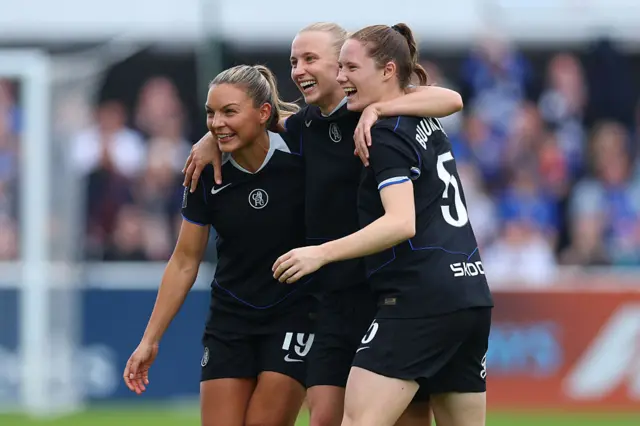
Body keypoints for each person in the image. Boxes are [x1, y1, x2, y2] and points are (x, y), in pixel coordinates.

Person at [182, 23, 463, 426]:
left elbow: (451, 99)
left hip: (387, 291)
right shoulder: (301, 125)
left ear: (342, 66)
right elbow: (246, 118)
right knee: (325, 418)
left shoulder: (375, 113)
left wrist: (380, 108)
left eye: (310, 59)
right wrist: (210, 138)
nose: (298, 70)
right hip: (329, 299)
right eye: (294, 61)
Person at [273, 23, 493, 426]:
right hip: (471, 295)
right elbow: (449, 100)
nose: (342, 78)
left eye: (350, 68)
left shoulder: (384, 133)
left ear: (388, 70)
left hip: (418, 299)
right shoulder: (424, 120)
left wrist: (320, 252)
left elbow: (400, 223)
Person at [123, 64, 317, 426]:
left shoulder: (303, 155)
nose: (217, 123)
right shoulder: (202, 173)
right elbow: (184, 261)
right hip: (231, 319)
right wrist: (149, 339)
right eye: (211, 113)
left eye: (230, 112)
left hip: (295, 315)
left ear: (263, 113)